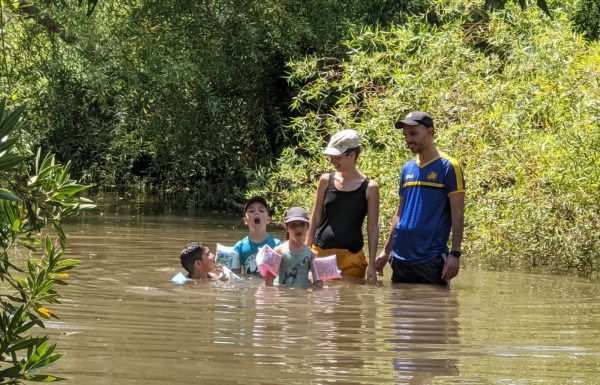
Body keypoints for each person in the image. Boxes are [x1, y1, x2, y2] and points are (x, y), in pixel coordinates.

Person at [376, 111, 465, 286]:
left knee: (432, 309)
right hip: (400, 258)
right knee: (399, 310)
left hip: (430, 258)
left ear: (430, 132)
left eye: (414, 133)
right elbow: (399, 214)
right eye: (406, 135)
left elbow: (458, 213)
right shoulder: (407, 169)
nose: (408, 139)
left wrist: (455, 254)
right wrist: (386, 251)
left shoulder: (449, 167)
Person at [306, 129, 380, 283]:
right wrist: (306, 250)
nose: (333, 162)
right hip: (321, 252)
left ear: (352, 155)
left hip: (351, 257)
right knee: (319, 302)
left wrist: (372, 264)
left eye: (337, 158)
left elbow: (372, 227)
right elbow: (315, 217)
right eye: (331, 157)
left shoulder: (370, 187)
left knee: (349, 303)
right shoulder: (326, 180)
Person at [264, 207, 323, 288]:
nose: (298, 228)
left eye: (302, 224)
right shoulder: (278, 251)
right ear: (286, 228)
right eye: (293, 225)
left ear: (308, 226)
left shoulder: (312, 255)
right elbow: (269, 281)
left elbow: (319, 283)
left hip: (302, 298)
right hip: (282, 297)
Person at [231, 196, 281, 275]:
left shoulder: (277, 246)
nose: (256, 213)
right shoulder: (239, 248)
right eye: (251, 211)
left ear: (268, 220)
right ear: (245, 220)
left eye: (261, 210)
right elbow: (234, 277)